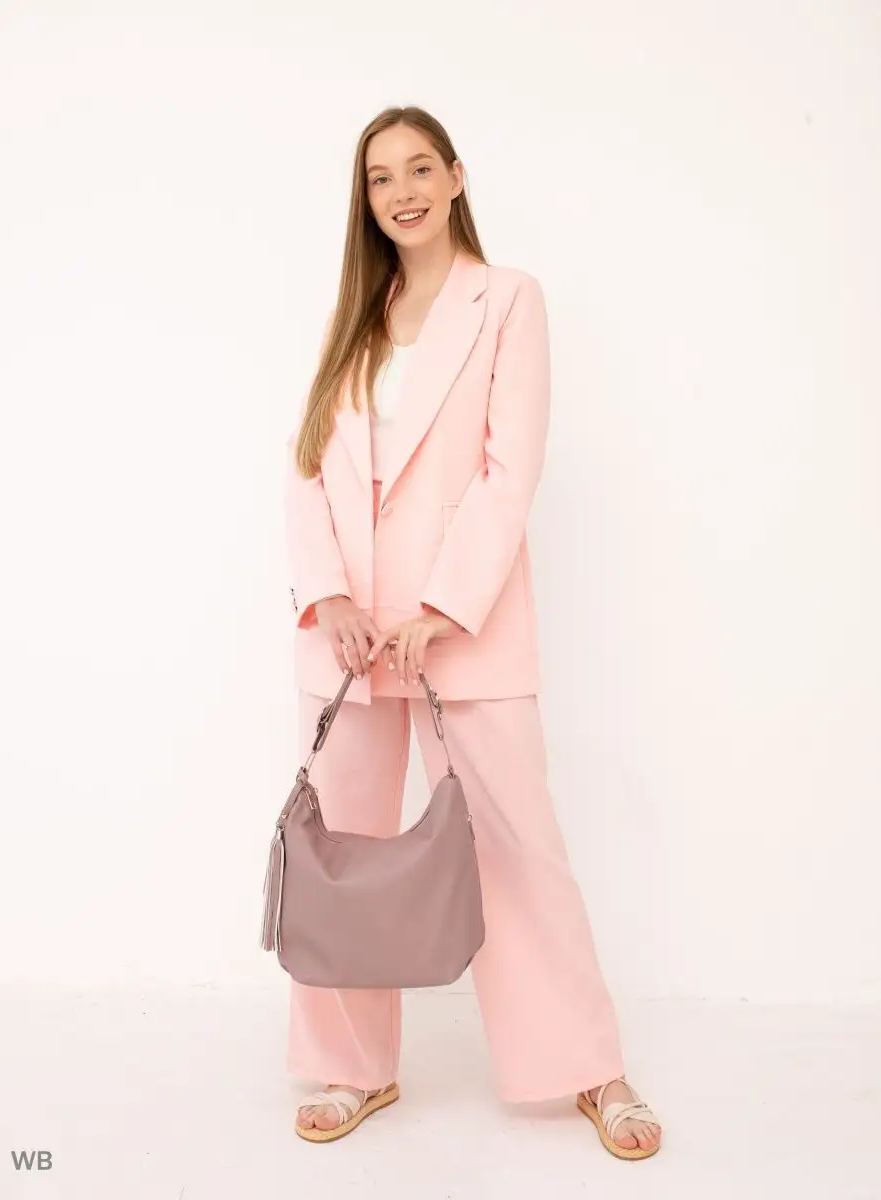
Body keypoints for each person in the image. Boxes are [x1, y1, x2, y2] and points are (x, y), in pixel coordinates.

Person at [282, 104, 663, 1160]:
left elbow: (509, 468)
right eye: (380, 177)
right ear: (364, 200)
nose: (401, 191)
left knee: (517, 847)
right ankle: (353, 1068)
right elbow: (307, 464)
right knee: (343, 851)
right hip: (349, 638)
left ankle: (590, 1069)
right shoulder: (355, 315)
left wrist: (441, 607)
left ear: (455, 177)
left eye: (419, 169)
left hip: (462, 625)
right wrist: (331, 597)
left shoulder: (510, 300)